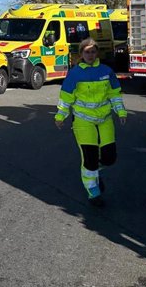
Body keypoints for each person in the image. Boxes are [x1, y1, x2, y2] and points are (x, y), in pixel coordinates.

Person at [54, 37, 127, 207]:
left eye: (93, 51)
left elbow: (115, 94)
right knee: (90, 159)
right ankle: (93, 190)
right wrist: (60, 116)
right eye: (87, 51)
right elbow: (66, 98)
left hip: (105, 119)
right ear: (81, 54)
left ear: (97, 53)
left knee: (109, 158)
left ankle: (95, 171)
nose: (90, 54)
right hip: (83, 120)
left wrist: (121, 111)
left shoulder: (106, 71)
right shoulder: (75, 73)